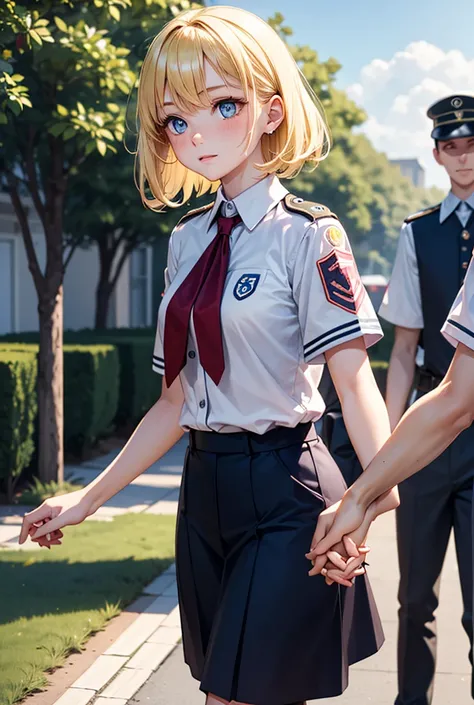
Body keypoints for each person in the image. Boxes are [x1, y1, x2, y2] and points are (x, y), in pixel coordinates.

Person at [18, 7, 399, 704]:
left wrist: (371, 499)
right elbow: (175, 401)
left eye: (224, 104)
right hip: (203, 494)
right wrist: (88, 498)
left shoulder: (309, 235)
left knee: (234, 695)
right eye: (175, 119)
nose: (197, 133)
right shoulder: (187, 241)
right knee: (239, 687)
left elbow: (355, 382)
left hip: (287, 489)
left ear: (272, 111)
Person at [308, 94, 474, 704]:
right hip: (431, 424)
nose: (463, 156)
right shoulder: (418, 233)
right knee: (415, 597)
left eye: (472, 144)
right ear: (437, 154)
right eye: (452, 146)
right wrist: (381, 452)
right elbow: (403, 351)